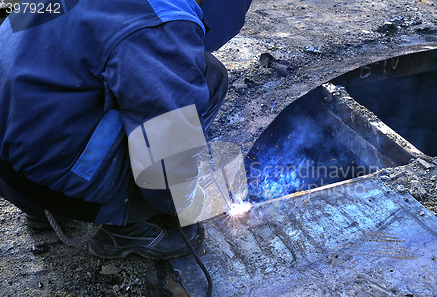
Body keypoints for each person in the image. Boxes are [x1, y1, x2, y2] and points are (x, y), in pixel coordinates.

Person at [0, 0, 252, 259]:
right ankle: (131, 226)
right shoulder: (162, 22)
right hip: (46, 178)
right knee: (210, 76)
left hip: (9, 171)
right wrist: (186, 203)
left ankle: (41, 210)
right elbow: (166, 160)